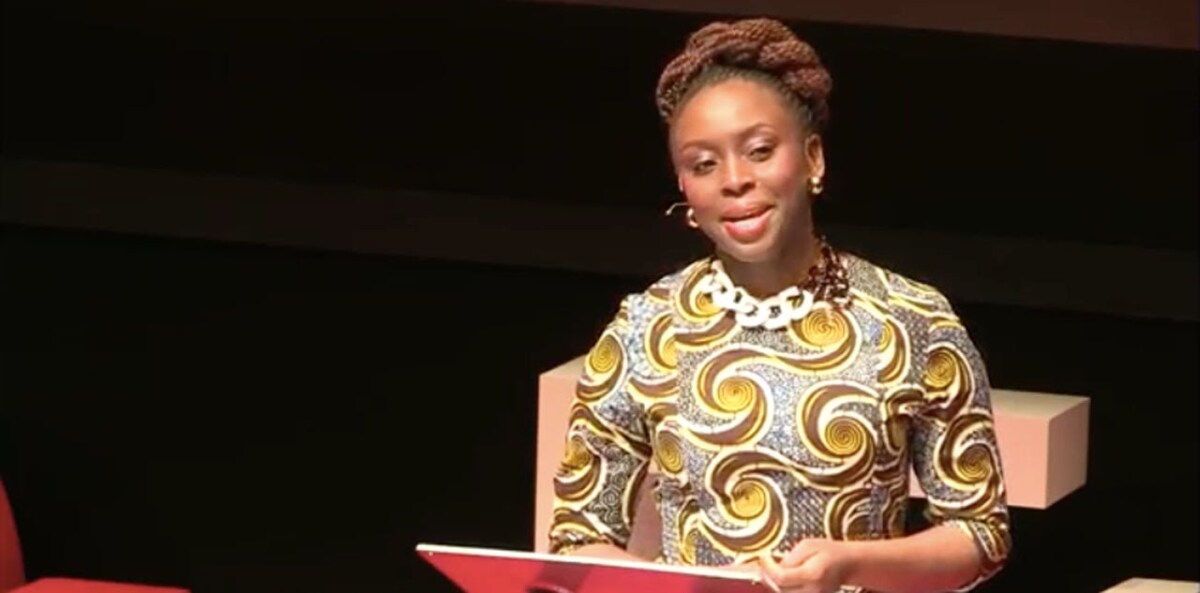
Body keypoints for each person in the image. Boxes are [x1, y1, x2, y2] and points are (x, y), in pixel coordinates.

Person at [547, 17, 1011, 593]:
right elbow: (577, 537)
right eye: (703, 164)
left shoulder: (910, 319)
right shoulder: (648, 327)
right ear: (684, 186)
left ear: (813, 158)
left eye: (760, 151)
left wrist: (849, 564)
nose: (734, 180)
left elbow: (978, 534)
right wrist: (688, 586)